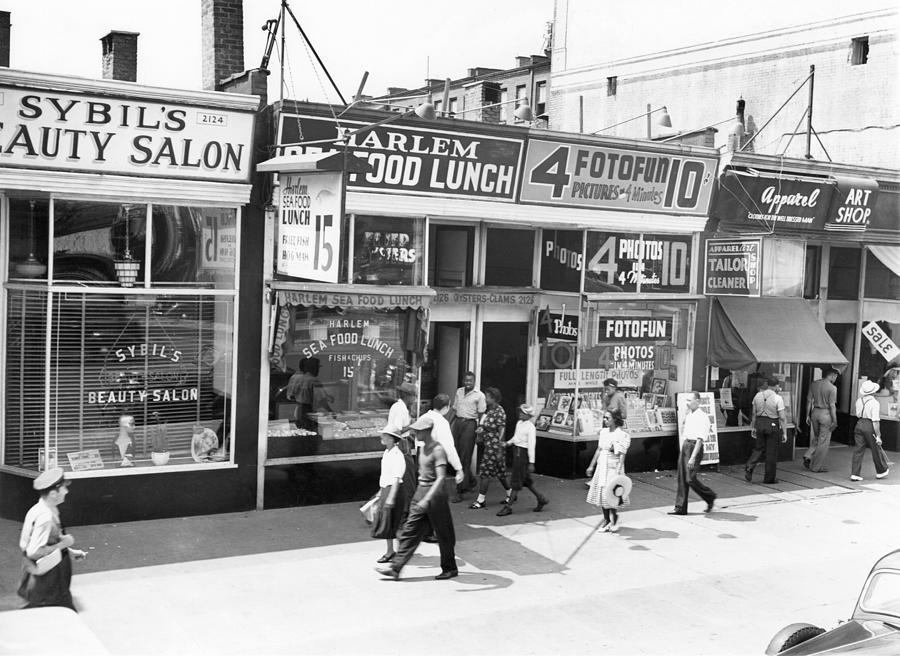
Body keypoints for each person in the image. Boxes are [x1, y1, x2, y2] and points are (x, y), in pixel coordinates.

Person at [375, 414, 459, 580]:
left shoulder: (437, 450)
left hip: (435, 496)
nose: (416, 434)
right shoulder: (421, 449)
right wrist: (418, 497)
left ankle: (450, 568)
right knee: (410, 531)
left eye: (418, 431)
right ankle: (396, 568)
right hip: (421, 492)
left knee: (444, 534)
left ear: (427, 431)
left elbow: (441, 477)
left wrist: (427, 499)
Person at [17, 468, 87, 610]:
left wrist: (69, 551)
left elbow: (47, 540)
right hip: (48, 583)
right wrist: (64, 544)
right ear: (53, 493)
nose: (66, 492)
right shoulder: (46, 517)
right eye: (64, 488)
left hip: (45, 581)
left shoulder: (39, 509)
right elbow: (34, 551)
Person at [497, 404, 549, 516]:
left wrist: (531, 462)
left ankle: (508, 506)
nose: (520, 414)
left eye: (523, 413)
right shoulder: (519, 423)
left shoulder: (530, 427)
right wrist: (508, 443)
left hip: (523, 454)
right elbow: (516, 438)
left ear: (528, 415)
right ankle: (541, 498)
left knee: (516, 479)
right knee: (525, 479)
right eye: (520, 412)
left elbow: (531, 445)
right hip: (517, 451)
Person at [669, 391, 717, 515]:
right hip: (686, 445)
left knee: (690, 478)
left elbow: (700, 439)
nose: (688, 403)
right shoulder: (689, 414)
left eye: (690, 400)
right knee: (682, 477)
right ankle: (680, 507)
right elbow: (685, 431)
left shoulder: (703, 417)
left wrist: (693, 457)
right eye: (687, 401)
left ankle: (709, 496)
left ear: (698, 401)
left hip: (694, 447)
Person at [586, 409, 631, 532]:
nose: (605, 420)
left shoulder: (620, 434)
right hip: (602, 465)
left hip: (613, 466)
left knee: (610, 493)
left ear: (615, 419)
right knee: (601, 493)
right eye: (604, 418)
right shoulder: (604, 432)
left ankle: (614, 516)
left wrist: (618, 470)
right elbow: (599, 449)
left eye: (608, 418)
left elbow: (622, 454)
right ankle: (606, 519)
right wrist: (591, 465)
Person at [448, 371, 486, 502]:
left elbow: (482, 414)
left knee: (465, 456)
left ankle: (460, 490)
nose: (467, 383)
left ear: (474, 381)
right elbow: (454, 408)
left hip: (470, 424)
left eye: (470, 380)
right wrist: (448, 423)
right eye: (466, 380)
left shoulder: (479, 395)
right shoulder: (459, 391)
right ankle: (471, 481)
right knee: (456, 454)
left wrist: (480, 431)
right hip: (458, 422)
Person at [469, 387, 510, 510]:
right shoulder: (489, 410)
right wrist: (481, 431)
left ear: (494, 398)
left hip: (494, 447)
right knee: (500, 473)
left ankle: (481, 500)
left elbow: (502, 429)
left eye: (487, 397)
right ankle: (510, 493)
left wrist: (499, 448)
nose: (485, 399)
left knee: (485, 473)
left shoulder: (499, 412)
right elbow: (486, 425)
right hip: (489, 445)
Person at [371, 429, 408, 564]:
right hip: (387, 489)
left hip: (394, 491)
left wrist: (391, 497)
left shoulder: (397, 455)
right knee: (387, 523)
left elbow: (397, 478)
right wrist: (381, 492)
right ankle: (391, 551)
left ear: (392, 439)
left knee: (394, 523)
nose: (382, 437)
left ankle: (399, 552)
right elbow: (385, 475)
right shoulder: (387, 452)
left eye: (385, 436)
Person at [744, 378, 788, 484]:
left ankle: (750, 466)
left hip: (759, 423)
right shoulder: (778, 398)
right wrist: (785, 432)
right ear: (776, 386)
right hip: (772, 424)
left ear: (767, 385)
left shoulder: (757, 396)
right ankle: (769, 478)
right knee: (771, 452)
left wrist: (753, 427)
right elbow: (782, 417)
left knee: (759, 448)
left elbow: (754, 414)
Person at [851, 380, 890, 481]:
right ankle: (881, 470)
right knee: (876, 448)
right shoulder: (875, 403)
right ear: (873, 392)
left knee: (858, 450)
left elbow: (857, 413)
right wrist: (878, 436)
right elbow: (875, 421)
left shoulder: (859, 401)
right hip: (869, 425)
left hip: (859, 423)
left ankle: (855, 473)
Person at [804, 368, 839, 473]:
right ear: (832, 375)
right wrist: (835, 420)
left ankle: (808, 455)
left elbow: (809, 401)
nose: (836, 378)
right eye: (836, 376)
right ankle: (816, 467)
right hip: (826, 414)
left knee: (817, 437)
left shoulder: (814, 384)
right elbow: (832, 406)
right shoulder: (832, 388)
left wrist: (807, 415)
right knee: (823, 441)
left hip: (815, 413)